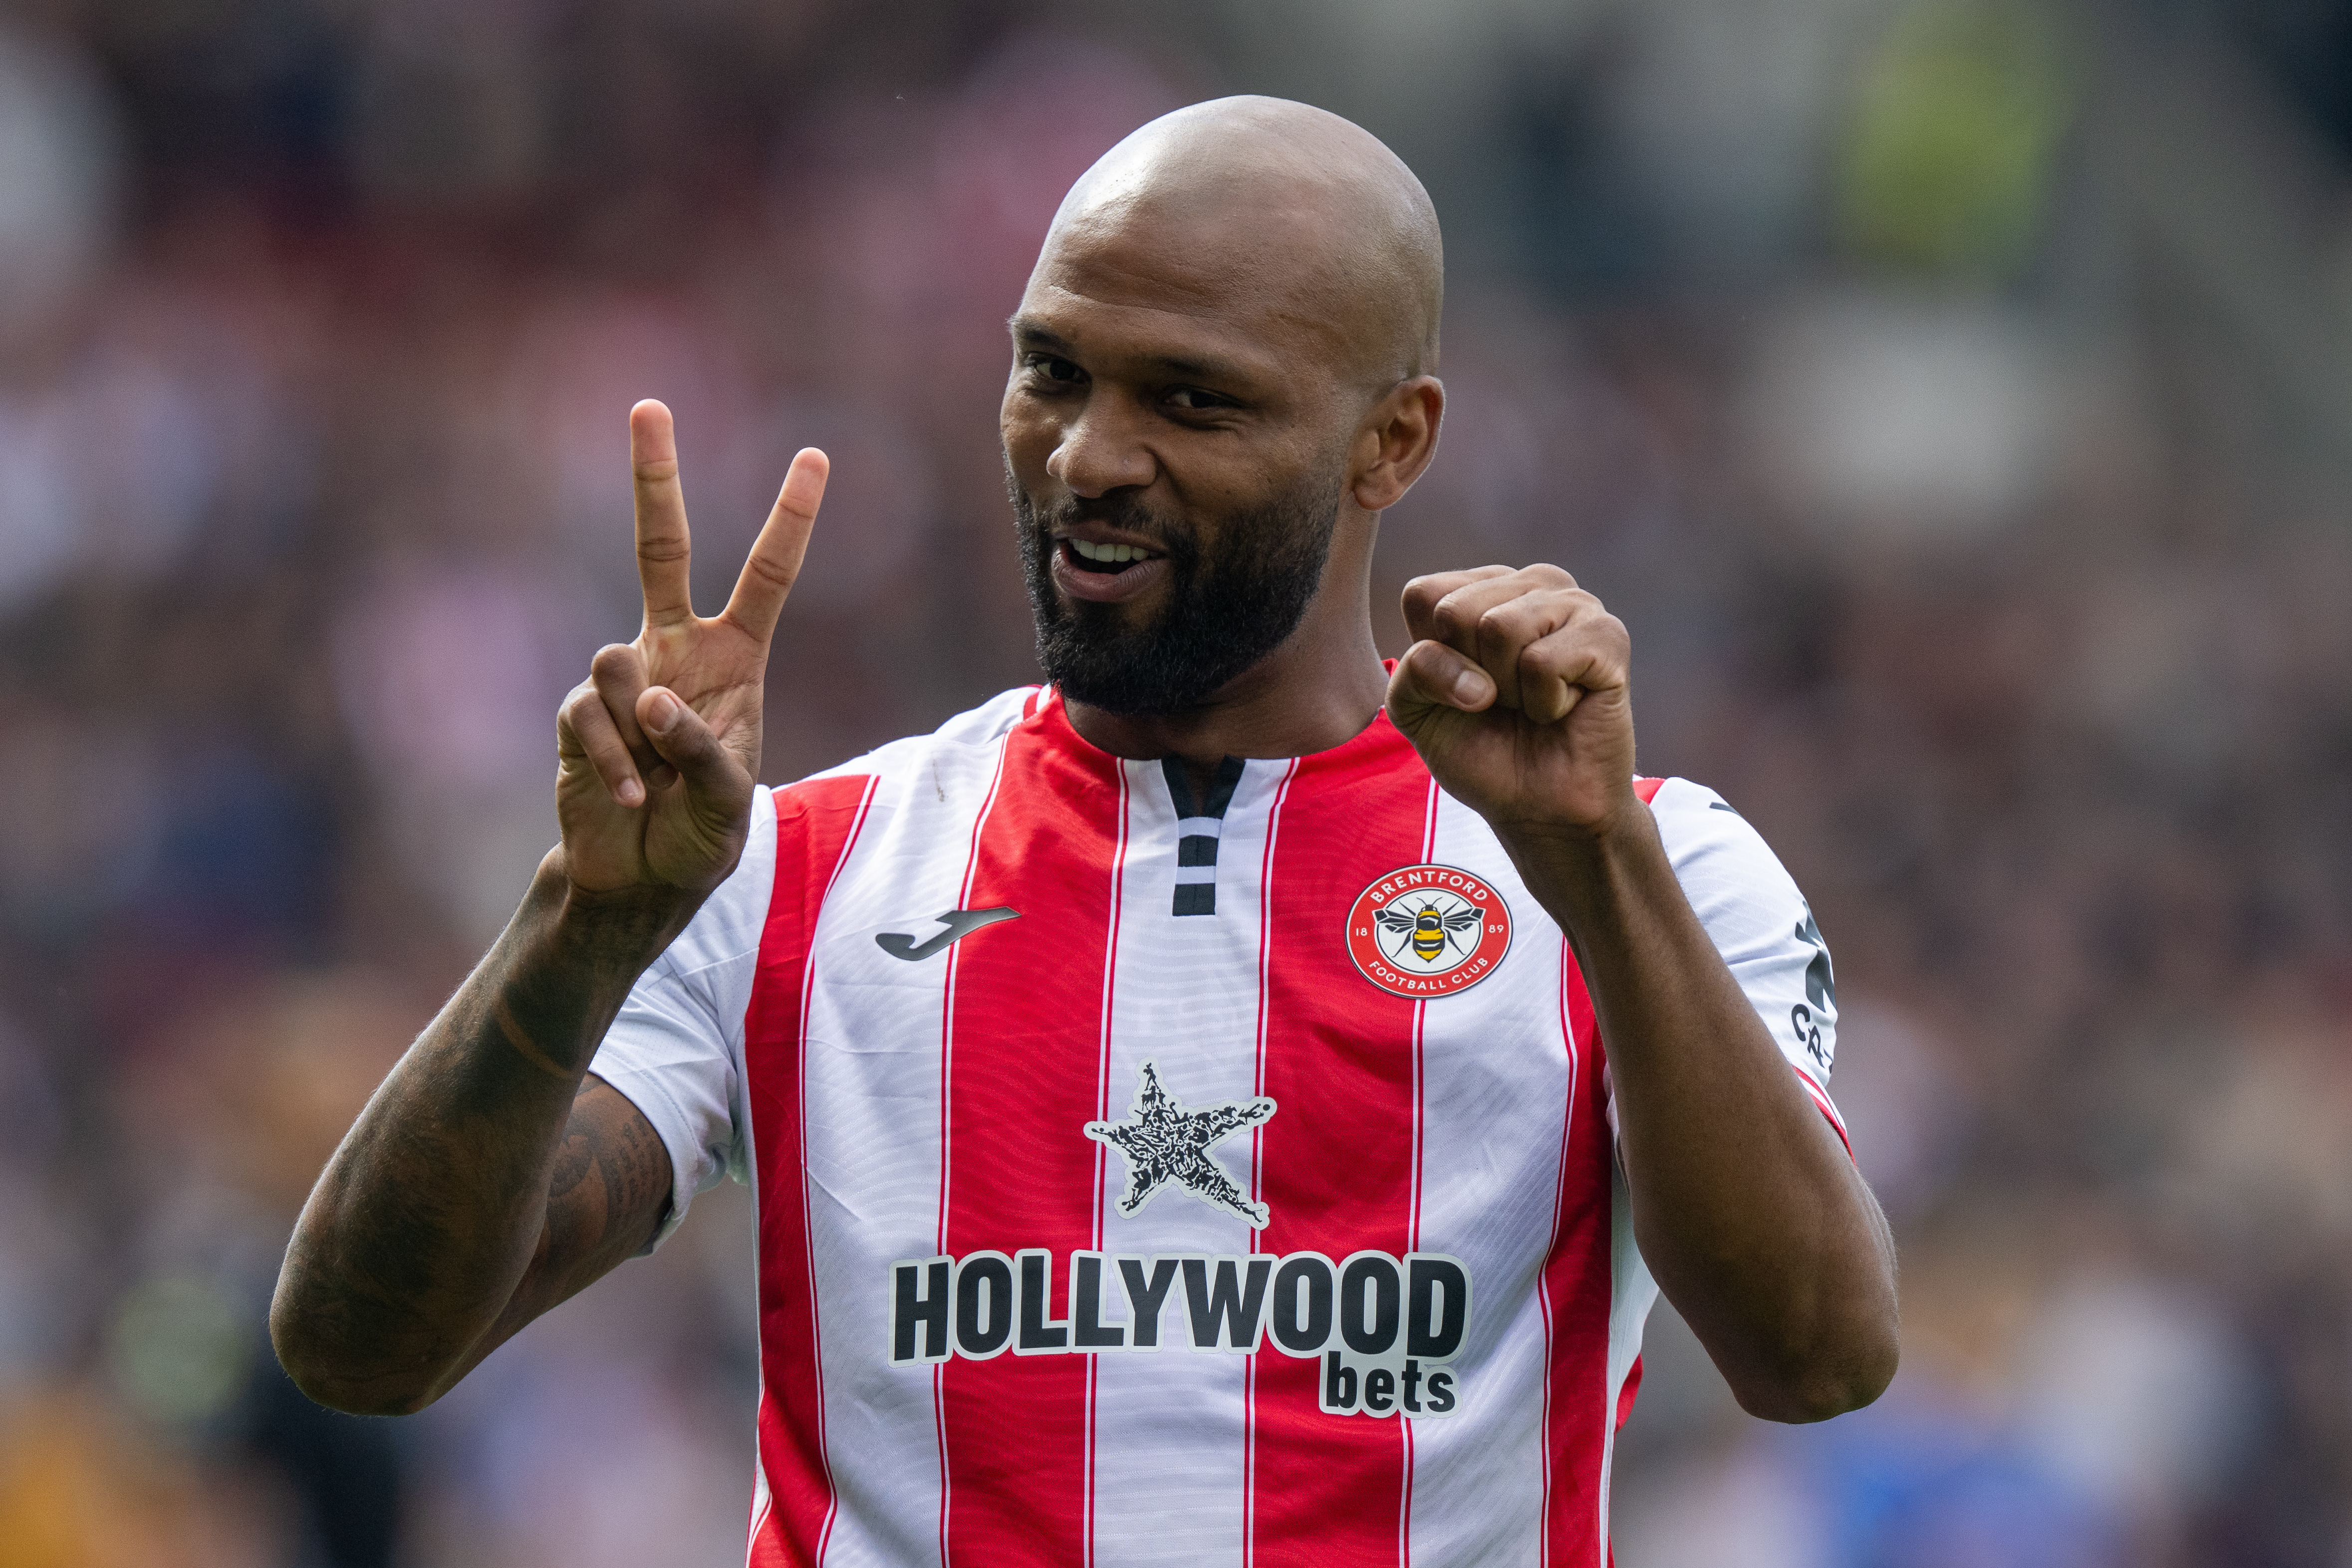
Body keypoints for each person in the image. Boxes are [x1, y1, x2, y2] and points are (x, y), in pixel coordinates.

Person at [271, 96, 1896, 1565]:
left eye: (1192, 400)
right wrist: (582, 924)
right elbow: (363, 1347)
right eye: (1052, 370)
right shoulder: (793, 867)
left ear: (1389, 441)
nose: (1089, 456)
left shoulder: (1651, 864)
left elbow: (1815, 1359)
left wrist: (1595, 872)